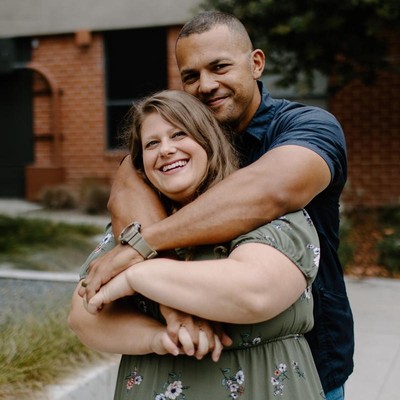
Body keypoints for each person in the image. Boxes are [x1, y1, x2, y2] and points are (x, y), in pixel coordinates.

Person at [78, 11, 354, 400]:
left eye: (219, 67)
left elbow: (268, 191)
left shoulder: (307, 125)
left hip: (300, 359)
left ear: (256, 63)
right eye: (191, 76)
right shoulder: (181, 147)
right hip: (184, 366)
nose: (206, 85)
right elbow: (127, 179)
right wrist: (172, 306)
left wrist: (141, 253)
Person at [70, 89, 325, 399]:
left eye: (179, 135)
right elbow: (84, 317)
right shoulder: (131, 229)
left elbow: (254, 293)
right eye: (152, 143)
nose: (165, 150)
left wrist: (138, 276)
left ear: (208, 141)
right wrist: (162, 339)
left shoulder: (265, 211)